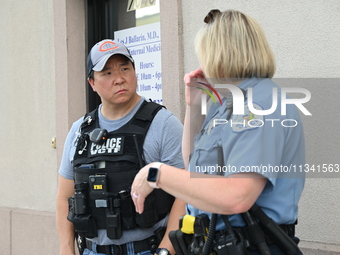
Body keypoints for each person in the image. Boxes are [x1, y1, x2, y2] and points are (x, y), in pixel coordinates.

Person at [131, 9, 305, 255]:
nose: (202, 64)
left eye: (205, 54)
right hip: (213, 243)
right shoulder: (226, 103)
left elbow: (238, 196)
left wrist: (156, 173)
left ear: (222, 53)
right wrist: (195, 108)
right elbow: (193, 166)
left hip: (251, 245)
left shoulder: (260, 103)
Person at [56, 39, 185, 255]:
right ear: (92, 83)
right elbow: (63, 197)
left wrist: (165, 251)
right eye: (107, 73)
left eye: (125, 68)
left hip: (147, 249)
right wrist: (66, 248)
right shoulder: (79, 130)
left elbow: (186, 193)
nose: (119, 79)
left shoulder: (163, 123)